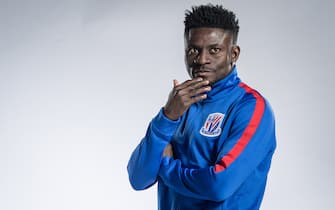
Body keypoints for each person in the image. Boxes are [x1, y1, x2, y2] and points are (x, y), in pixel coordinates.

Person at [127, 4, 276, 210]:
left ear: (233, 54)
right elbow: (138, 178)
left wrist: (167, 167)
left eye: (214, 50)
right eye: (193, 50)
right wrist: (167, 117)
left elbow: (219, 185)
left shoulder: (251, 108)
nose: (201, 60)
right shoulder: (179, 104)